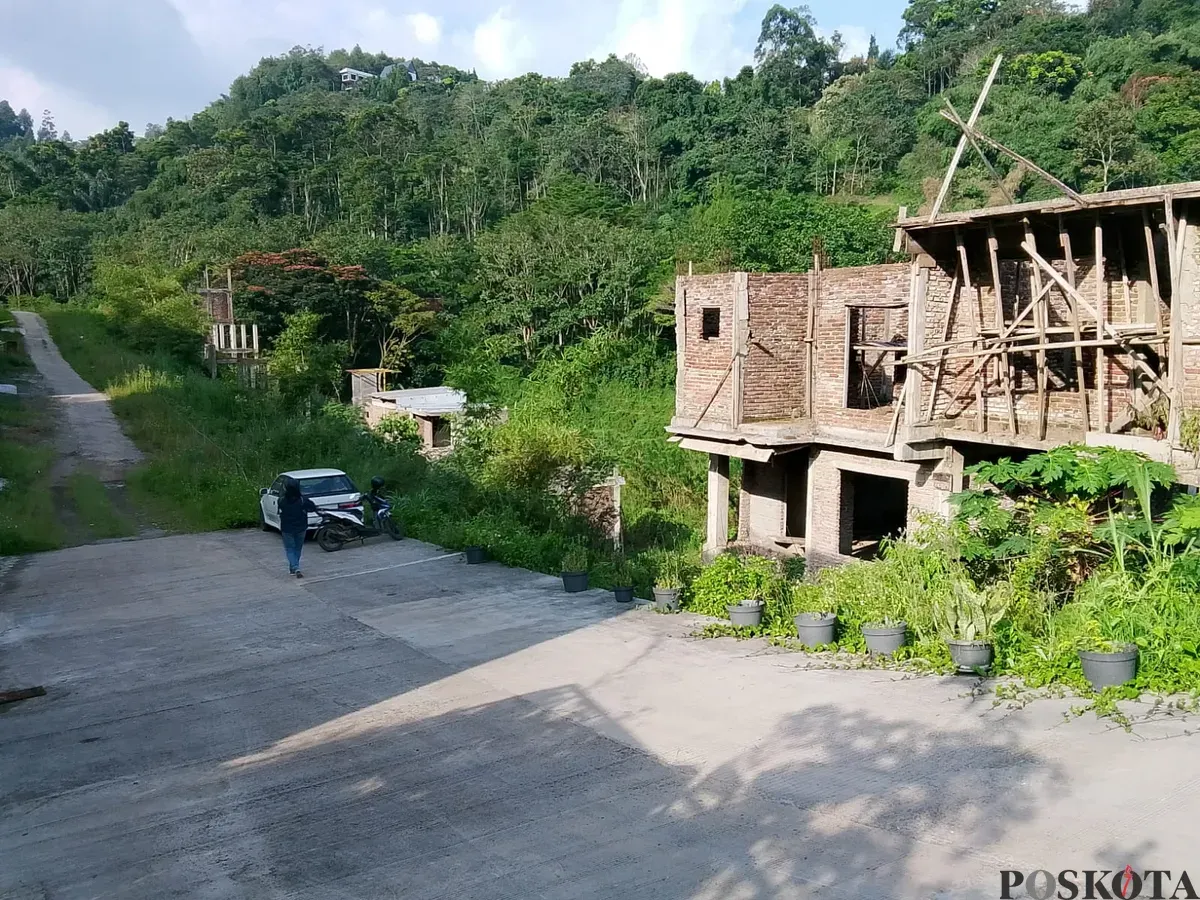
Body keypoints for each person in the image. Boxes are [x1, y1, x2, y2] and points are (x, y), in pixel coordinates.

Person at [278, 477, 318, 577]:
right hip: (301, 527)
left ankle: (295, 567)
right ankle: (295, 567)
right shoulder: (302, 500)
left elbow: (280, 510)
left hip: (287, 528)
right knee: (297, 548)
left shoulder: (282, 500)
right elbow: (313, 507)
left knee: (289, 548)